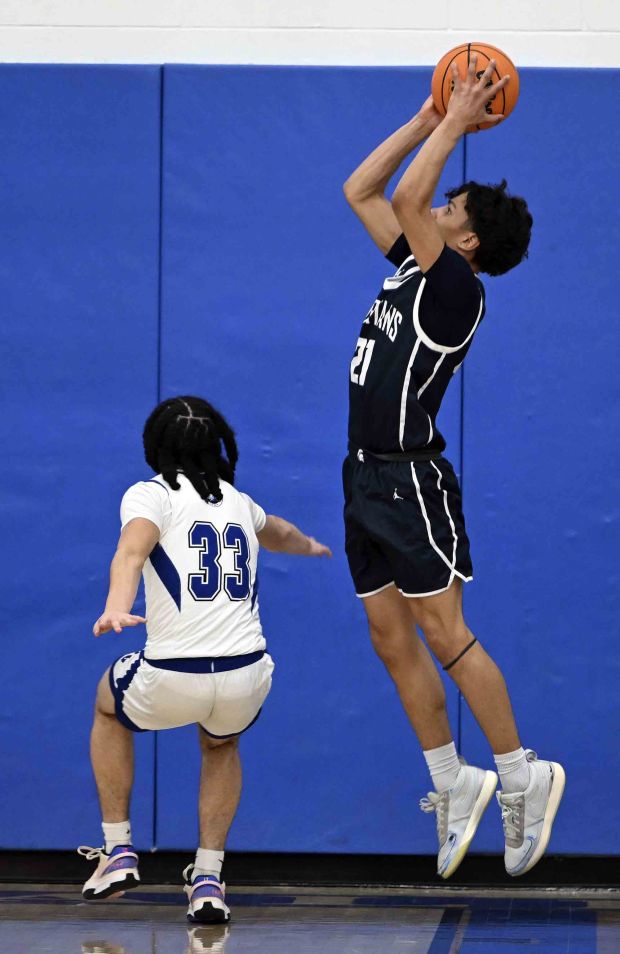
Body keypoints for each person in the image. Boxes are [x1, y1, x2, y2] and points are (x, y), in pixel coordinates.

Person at [342, 57, 564, 878]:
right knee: (388, 636)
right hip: (363, 475)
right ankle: (454, 782)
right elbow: (363, 190)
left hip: (409, 480)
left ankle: (522, 773)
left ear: (465, 241)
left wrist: (460, 122)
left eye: (450, 210)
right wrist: (428, 115)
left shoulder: (456, 292)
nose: (434, 208)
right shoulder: (415, 267)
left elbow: (406, 198)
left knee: (444, 633)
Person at [78, 395, 331, 922]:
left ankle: (117, 848)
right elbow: (279, 531)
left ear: (155, 445)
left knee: (107, 705)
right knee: (221, 744)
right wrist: (309, 545)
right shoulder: (237, 500)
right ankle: (209, 880)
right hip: (247, 675)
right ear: (218, 444)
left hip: (175, 675)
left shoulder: (151, 494)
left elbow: (131, 550)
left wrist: (116, 606)